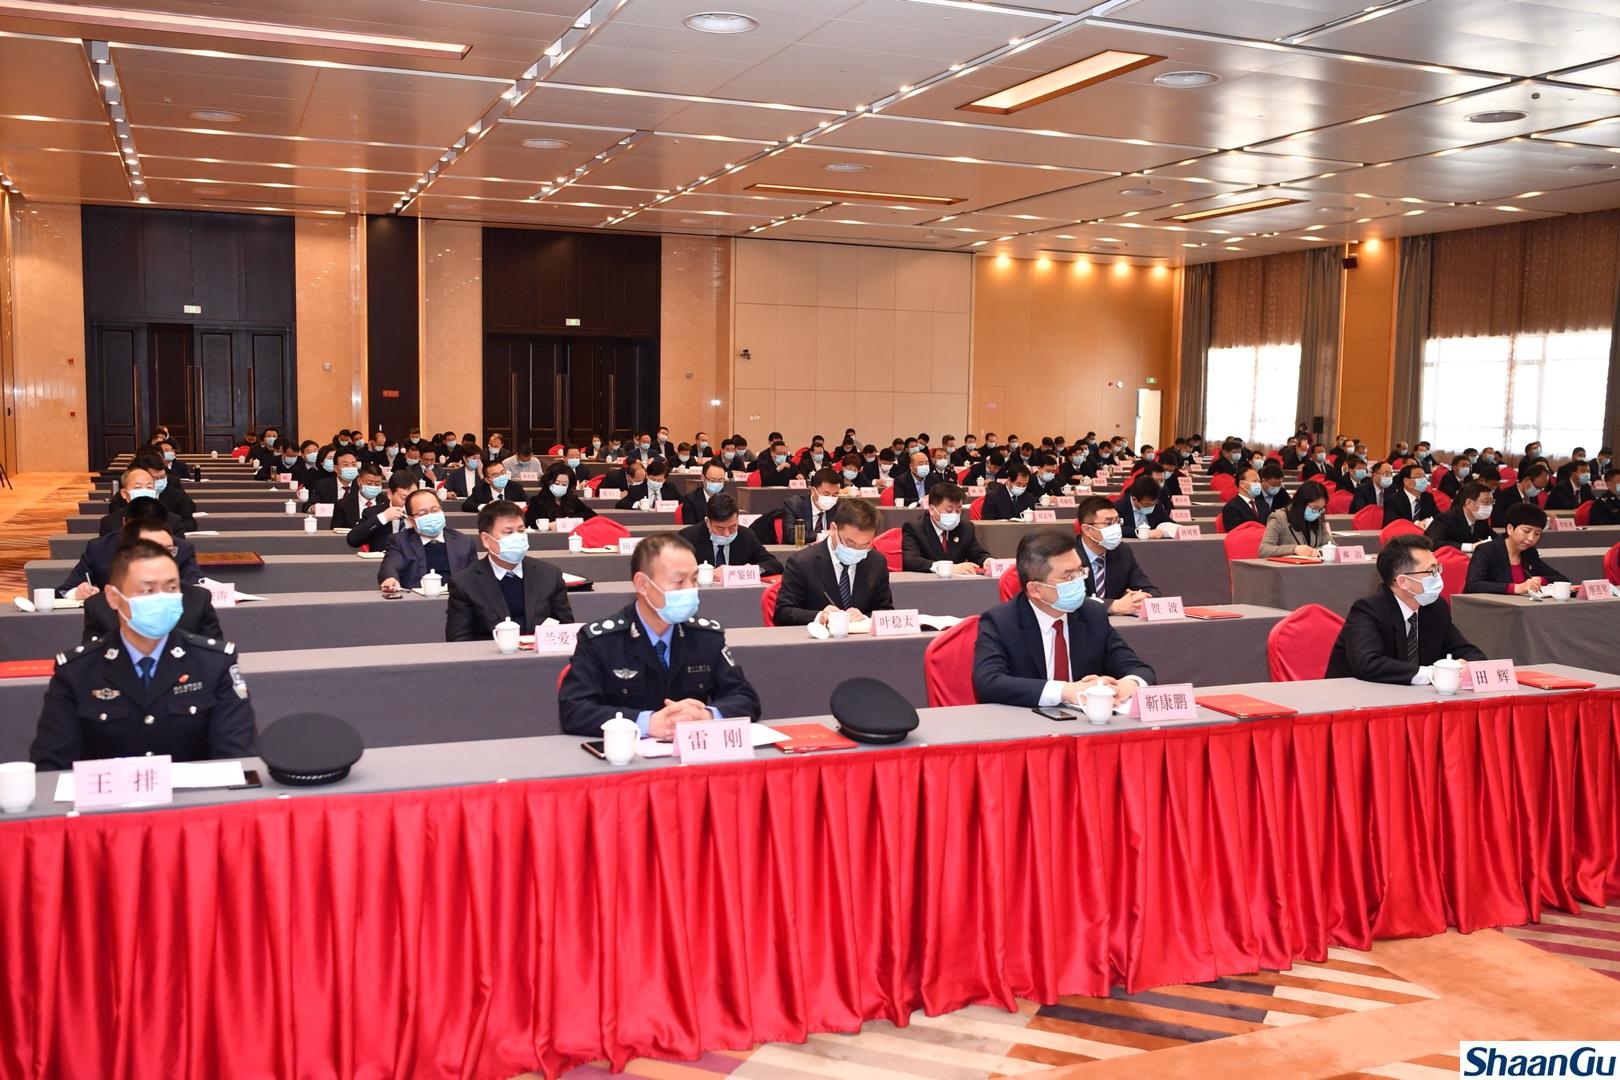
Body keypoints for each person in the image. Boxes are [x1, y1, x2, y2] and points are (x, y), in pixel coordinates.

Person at [31, 540, 256, 771]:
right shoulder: (77, 671)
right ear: (113, 597)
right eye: (148, 590)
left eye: (171, 588)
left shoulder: (214, 664)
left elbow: (237, 758)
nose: (162, 599)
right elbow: (51, 766)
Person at [559, 532, 761, 737]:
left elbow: (745, 698)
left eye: (694, 580)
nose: (690, 590)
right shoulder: (602, 641)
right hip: (628, 751)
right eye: (679, 581)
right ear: (643, 584)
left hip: (691, 749)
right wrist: (645, 723)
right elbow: (575, 710)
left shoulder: (706, 637)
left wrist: (707, 716)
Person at [971, 528, 1155, 709]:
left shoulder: (1092, 615)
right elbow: (988, 683)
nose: (1079, 582)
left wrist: (1125, 686)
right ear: (1035, 589)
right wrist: (1067, 691)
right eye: (1068, 577)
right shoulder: (1000, 622)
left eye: (1080, 572)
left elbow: (1140, 670)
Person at [1325, 534, 1486, 684]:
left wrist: (1465, 666)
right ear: (1403, 581)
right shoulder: (1368, 611)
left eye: (1438, 568)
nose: (1438, 576)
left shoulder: (1436, 608)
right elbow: (1367, 664)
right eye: (1431, 571)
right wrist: (1431, 674)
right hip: (1359, 698)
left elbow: (1469, 652)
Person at [445, 501, 573, 640]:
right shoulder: (464, 583)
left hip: (539, 651)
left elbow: (566, 630)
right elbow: (459, 641)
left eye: (521, 531)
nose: (517, 538)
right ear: (486, 540)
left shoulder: (550, 574)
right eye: (509, 532)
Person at [83, 526, 221, 644]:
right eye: (151, 551)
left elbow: (212, 658)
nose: (163, 558)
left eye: (169, 551)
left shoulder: (198, 600)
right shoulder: (99, 608)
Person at [773, 498, 893, 627]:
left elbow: (885, 610)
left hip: (861, 637)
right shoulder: (802, 563)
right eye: (849, 543)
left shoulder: (876, 562)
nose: (855, 550)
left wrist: (865, 617)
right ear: (833, 529)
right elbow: (783, 613)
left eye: (865, 545)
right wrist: (819, 617)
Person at [58, 503, 203, 600]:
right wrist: (77, 592)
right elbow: (65, 590)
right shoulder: (100, 548)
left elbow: (196, 586)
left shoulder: (181, 549)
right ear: (125, 524)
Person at [1073, 494, 1157, 615]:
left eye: (1117, 522)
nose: (1116, 528)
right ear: (1087, 530)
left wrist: (1142, 597)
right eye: (1108, 523)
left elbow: (1149, 589)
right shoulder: (1068, 555)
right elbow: (1069, 599)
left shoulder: (1122, 551)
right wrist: (1111, 606)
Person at [378, 490, 476, 592]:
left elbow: (475, 577)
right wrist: (390, 578)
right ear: (411, 520)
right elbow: (390, 566)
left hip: (457, 598)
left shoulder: (464, 542)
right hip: (417, 599)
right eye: (422, 513)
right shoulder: (400, 541)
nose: (430, 516)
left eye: (435, 510)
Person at [1464, 502, 1570, 595]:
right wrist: (1516, 588)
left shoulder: (1530, 553)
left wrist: (1539, 579)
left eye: (1537, 533)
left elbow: (1562, 580)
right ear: (1510, 528)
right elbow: (1473, 585)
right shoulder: (1486, 550)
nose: (1531, 538)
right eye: (1526, 531)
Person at [679, 493, 783, 575]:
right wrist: (706, 574)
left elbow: (773, 564)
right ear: (707, 522)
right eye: (720, 528)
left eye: (732, 527)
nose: (727, 534)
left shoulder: (746, 535)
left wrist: (747, 570)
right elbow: (676, 570)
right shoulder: (688, 538)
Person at [900, 482, 988, 575]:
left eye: (958, 510)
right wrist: (947, 568)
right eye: (949, 510)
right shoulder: (914, 528)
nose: (954, 515)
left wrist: (987, 561)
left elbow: (977, 553)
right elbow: (911, 561)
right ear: (932, 510)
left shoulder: (965, 528)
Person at [98, 466, 187, 537]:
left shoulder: (173, 521)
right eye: (138, 487)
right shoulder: (109, 523)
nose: (145, 491)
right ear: (124, 494)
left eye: (149, 487)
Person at [1259, 479, 1333, 558]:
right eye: (1314, 508)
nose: (1317, 512)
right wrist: (1294, 549)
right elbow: (1264, 550)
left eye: (1320, 509)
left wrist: (1317, 551)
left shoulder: (1318, 518)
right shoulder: (1279, 518)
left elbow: (1331, 545)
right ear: (1301, 503)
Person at [347, 470, 417, 550]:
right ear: (390, 494)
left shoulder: (421, 514)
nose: (409, 502)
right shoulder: (374, 513)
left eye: (413, 497)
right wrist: (383, 517)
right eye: (404, 498)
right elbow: (353, 540)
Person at [1426, 481, 1494, 550]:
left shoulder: (1481, 519)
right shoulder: (1446, 518)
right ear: (1469, 503)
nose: (1490, 506)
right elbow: (1433, 543)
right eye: (1486, 502)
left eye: (1492, 501)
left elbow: (1494, 538)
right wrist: (1470, 547)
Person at [525, 463, 597, 526]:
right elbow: (529, 522)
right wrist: (547, 525)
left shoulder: (572, 500)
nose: (560, 486)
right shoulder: (537, 501)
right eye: (557, 483)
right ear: (548, 482)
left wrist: (568, 520)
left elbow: (591, 515)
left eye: (564, 484)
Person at [782, 468, 842, 542]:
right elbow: (791, 535)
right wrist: (823, 534)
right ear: (813, 491)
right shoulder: (794, 505)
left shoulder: (839, 507)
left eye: (835, 495)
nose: (830, 498)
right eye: (826, 494)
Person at [1491, 462, 1550, 528]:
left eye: (1541, 488)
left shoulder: (1533, 497)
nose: (1538, 491)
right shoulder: (1504, 496)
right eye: (1537, 487)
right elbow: (1496, 520)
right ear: (1527, 480)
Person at [1219, 465, 1273, 532]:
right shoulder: (1231, 507)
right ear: (1242, 484)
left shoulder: (1264, 505)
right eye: (1255, 481)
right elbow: (1235, 532)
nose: (1258, 484)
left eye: (1259, 481)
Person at [1383, 462, 1438, 528]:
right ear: (1406, 481)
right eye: (1419, 477)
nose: (1423, 479)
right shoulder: (1393, 500)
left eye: (1424, 476)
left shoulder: (1428, 497)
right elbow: (1392, 525)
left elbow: (1438, 518)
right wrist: (1416, 524)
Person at [460, 459, 527, 513]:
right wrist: (487, 506)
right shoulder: (480, 490)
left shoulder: (515, 487)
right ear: (487, 480)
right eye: (496, 475)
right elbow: (466, 505)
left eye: (502, 473)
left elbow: (528, 503)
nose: (501, 477)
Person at [679, 458, 730, 526]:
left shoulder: (728, 500)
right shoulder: (690, 500)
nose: (716, 483)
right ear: (702, 478)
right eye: (712, 480)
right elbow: (691, 528)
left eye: (720, 481)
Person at [334, 464, 385, 530]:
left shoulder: (386, 502)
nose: (373, 486)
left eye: (377, 484)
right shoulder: (342, 505)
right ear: (359, 481)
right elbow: (335, 532)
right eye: (369, 483)